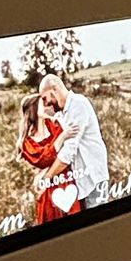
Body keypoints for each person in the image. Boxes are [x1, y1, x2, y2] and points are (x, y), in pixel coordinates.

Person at [39, 71, 109, 208]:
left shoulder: (78, 104)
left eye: (45, 98)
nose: (46, 103)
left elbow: (69, 151)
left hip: (94, 178)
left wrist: (46, 179)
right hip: (81, 181)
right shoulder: (61, 114)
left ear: (55, 89)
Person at [17, 87, 78, 224]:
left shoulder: (53, 124)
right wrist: (62, 137)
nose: (46, 105)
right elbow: (43, 159)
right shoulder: (27, 141)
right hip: (47, 189)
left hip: (64, 179)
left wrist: (44, 172)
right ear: (33, 110)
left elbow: (66, 152)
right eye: (42, 103)